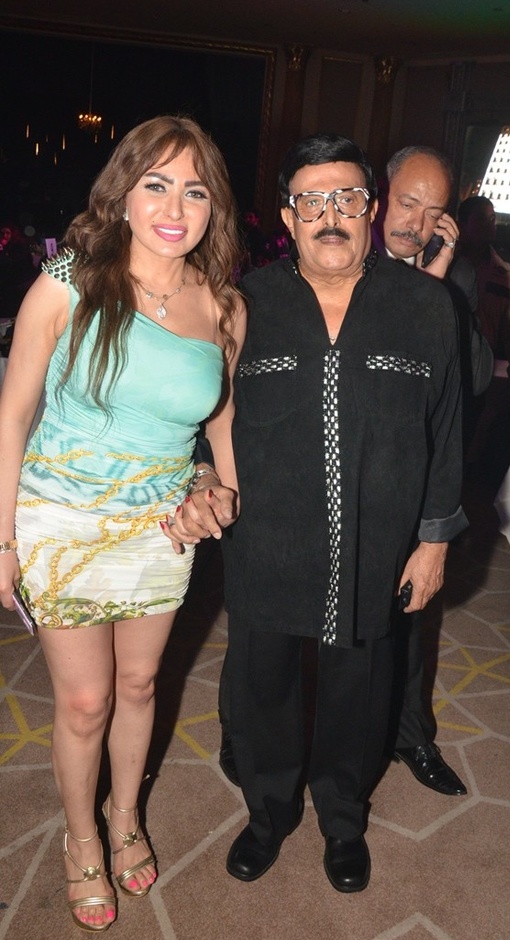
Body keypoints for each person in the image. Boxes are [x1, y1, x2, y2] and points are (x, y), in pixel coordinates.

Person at [168, 133, 466, 892]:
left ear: (370, 209)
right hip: (267, 543)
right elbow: (206, 416)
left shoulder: (427, 306)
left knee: (358, 697)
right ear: (287, 216)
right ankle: (266, 816)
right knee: (261, 690)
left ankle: (343, 822)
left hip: (375, 547)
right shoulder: (244, 304)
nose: (329, 216)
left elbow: (446, 430)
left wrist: (433, 540)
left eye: (346, 198)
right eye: (311, 202)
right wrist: (202, 477)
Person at [0, 115, 245, 932]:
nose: (175, 207)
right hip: (60, 522)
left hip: (161, 530)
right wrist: (2, 540)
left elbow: (221, 425)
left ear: (213, 207)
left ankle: (125, 815)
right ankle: (81, 839)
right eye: (156, 185)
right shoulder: (68, 282)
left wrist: (221, 492)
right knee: (84, 702)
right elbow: (12, 415)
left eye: (194, 191)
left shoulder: (224, 307)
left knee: (140, 686)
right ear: (123, 194)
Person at [371, 144, 493, 797]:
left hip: (414, 475)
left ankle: (410, 734)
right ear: (379, 199)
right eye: (406, 203)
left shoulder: (455, 277)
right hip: (344, 469)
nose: (415, 223)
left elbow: (475, 376)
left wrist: (438, 287)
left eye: (433, 211)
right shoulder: (340, 258)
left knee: (412, 614)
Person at [456, 195, 510, 464]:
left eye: (493, 218)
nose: (490, 225)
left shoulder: (506, 274)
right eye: (481, 219)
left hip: (478, 371)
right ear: (462, 224)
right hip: (442, 364)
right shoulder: (442, 260)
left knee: (466, 443)